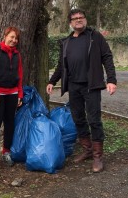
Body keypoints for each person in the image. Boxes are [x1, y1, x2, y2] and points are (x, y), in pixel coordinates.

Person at [46, 9, 117, 173]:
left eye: (81, 17)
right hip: (73, 86)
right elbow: (61, 65)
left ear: (85, 19)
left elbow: (107, 57)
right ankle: (88, 149)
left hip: (91, 85)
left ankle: (98, 156)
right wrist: (52, 81)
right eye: (75, 18)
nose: (78, 20)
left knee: (94, 119)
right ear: (70, 23)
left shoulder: (95, 37)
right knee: (78, 118)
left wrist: (111, 80)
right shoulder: (67, 42)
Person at [0, 26, 23, 168]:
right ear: (5, 36)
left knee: (9, 123)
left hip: (12, 93)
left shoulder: (17, 55)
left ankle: (6, 151)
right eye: (11, 37)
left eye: (16, 38)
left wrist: (20, 94)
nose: (14, 40)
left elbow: (20, 75)